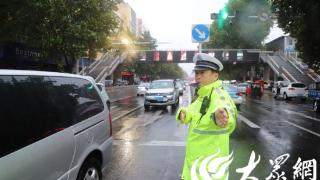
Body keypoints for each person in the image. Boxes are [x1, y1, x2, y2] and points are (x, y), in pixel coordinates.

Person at [176, 53, 238, 180]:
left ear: (215, 75)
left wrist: (219, 118)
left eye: (202, 72)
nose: (198, 76)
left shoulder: (219, 94)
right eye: (197, 72)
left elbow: (227, 115)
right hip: (196, 165)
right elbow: (191, 111)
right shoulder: (203, 94)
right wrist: (183, 114)